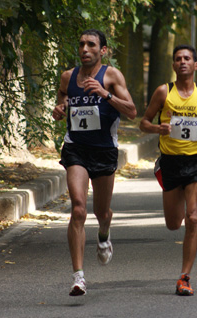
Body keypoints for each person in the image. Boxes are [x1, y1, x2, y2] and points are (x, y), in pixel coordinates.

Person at [52, 29, 137, 296]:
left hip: (103, 150)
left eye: (91, 45)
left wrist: (105, 94)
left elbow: (132, 112)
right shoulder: (68, 77)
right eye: (81, 44)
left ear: (103, 50)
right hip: (76, 148)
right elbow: (62, 101)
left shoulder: (111, 76)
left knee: (102, 212)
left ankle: (104, 233)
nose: (85, 49)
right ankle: (79, 277)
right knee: (78, 209)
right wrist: (59, 110)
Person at [139, 44, 197, 296]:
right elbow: (143, 123)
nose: (182, 62)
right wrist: (158, 129)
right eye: (178, 59)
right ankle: (184, 270)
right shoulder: (163, 92)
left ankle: (184, 277)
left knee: (193, 218)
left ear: (196, 65)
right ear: (174, 65)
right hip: (170, 162)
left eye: (187, 58)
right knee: (172, 224)